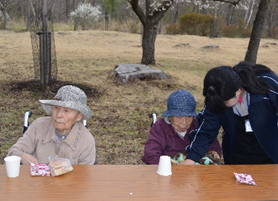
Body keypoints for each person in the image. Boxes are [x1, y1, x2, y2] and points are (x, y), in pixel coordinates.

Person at [182, 61, 278, 165]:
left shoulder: (267, 83)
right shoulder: (215, 95)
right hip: (237, 157)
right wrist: (191, 159)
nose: (219, 107)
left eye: (224, 103)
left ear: (237, 92)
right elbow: (206, 132)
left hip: (271, 155)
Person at [7, 85, 96, 165]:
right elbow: (13, 152)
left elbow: (86, 175)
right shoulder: (38, 126)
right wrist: (22, 156)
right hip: (37, 182)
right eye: (56, 108)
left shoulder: (86, 140)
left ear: (78, 116)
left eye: (66, 110)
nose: (58, 115)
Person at [142, 89, 221, 164]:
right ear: (170, 116)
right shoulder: (160, 128)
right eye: (178, 117)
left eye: (189, 116)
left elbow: (215, 151)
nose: (184, 122)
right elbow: (151, 155)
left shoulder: (200, 126)